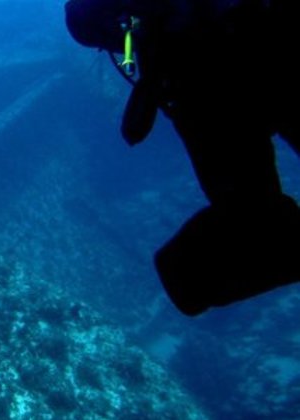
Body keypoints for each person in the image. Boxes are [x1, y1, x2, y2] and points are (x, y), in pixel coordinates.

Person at [64, 0, 300, 316]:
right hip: (269, 57)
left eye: (109, 43)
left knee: (183, 274)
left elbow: (248, 204)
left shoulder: (173, 60)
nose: (121, 50)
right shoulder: (171, 48)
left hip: (230, 86)